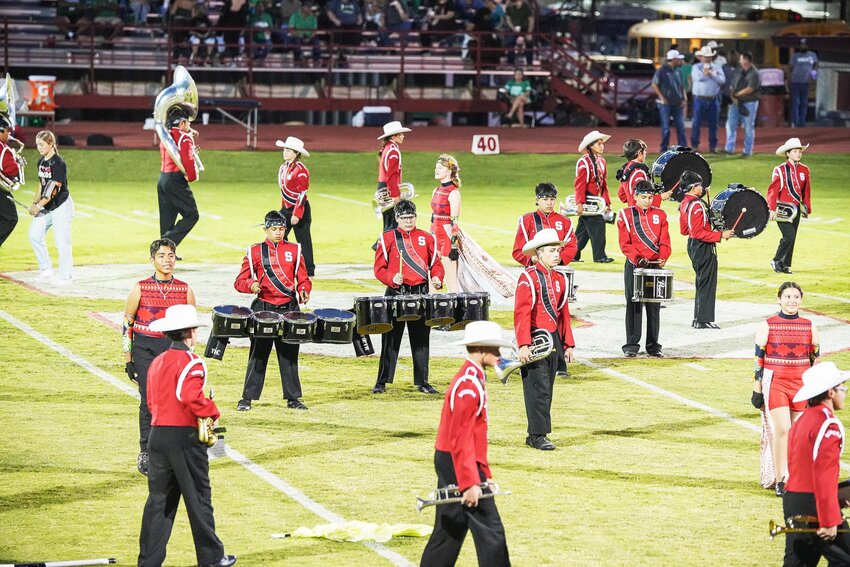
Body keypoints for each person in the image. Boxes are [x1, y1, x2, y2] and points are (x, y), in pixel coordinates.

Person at [137, 304, 236, 567]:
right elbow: (189, 396)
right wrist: (212, 411)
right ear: (190, 332)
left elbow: (150, 401)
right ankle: (212, 558)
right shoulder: (192, 362)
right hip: (184, 438)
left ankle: (148, 562)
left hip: (157, 437)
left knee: (159, 503)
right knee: (199, 498)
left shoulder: (157, 362)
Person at [419, 320, 512, 567]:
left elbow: (472, 435)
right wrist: (471, 482)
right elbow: (461, 437)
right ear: (481, 349)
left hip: (455, 458)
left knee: (450, 529)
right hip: (458, 460)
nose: (499, 354)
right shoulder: (468, 384)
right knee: (491, 531)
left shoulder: (473, 377)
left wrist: (485, 473)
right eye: (495, 348)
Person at [124, 238, 196, 476]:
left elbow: (191, 328)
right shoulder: (140, 287)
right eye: (162, 256)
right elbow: (128, 324)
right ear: (152, 259)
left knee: (176, 401)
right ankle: (146, 450)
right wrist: (128, 360)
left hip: (172, 350)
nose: (167, 260)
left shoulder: (185, 289)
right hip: (144, 348)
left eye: (171, 256)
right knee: (148, 400)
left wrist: (191, 359)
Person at [234, 211, 311, 411]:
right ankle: (247, 398)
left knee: (289, 354)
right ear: (266, 229)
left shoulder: (295, 249)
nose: (278, 233)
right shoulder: (255, 251)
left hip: (289, 307)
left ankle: (293, 398)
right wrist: (251, 285)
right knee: (258, 354)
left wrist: (304, 289)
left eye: (281, 229)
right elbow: (239, 281)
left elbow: (303, 278)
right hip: (264, 308)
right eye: (274, 229)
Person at [751, 282, 820, 497]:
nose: (792, 301)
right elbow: (758, 360)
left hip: (801, 385)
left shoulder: (810, 326)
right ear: (779, 299)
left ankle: (795, 478)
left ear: (801, 299)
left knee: (798, 435)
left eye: (796, 297)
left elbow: (814, 359)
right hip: (777, 382)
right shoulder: (768, 325)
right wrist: (757, 389)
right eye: (788, 296)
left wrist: (815, 389)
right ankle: (780, 479)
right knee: (782, 429)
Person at [372, 200, 444, 395]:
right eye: (404, 218)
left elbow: (435, 264)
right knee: (390, 338)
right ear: (396, 218)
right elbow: (378, 269)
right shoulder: (387, 238)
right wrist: (392, 278)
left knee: (421, 339)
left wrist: (437, 277)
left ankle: (423, 381)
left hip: (420, 293)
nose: (408, 221)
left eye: (411, 217)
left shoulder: (427, 238)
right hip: (396, 293)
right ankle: (381, 381)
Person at [782, 362, 850, 565]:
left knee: (798, 563)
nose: (845, 392)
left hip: (793, 501)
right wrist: (829, 519)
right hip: (816, 506)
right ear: (830, 392)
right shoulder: (828, 423)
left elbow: (802, 468)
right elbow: (823, 474)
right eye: (842, 387)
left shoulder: (802, 420)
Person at [514, 228, 576, 450]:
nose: (557, 254)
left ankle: (536, 434)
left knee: (547, 387)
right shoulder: (528, 278)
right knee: (537, 387)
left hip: (553, 340)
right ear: (539, 253)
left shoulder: (559, 278)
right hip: (533, 339)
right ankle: (538, 435)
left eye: (558, 250)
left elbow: (563, 314)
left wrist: (567, 343)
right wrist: (523, 344)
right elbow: (521, 313)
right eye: (552, 250)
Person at [617, 180, 671, 358]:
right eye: (643, 197)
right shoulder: (625, 215)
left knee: (654, 306)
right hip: (634, 265)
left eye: (649, 197)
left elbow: (664, 241)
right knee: (634, 304)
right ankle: (631, 344)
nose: (647, 201)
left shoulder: (660, 215)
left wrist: (663, 256)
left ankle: (654, 345)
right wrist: (638, 258)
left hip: (654, 267)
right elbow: (624, 244)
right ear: (635, 196)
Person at [677, 171, 733, 329]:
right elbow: (697, 232)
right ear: (694, 187)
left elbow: (684, 230)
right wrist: (720, 234)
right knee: (707, 283)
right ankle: (703, 320)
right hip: (702, 246)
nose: (702, 188)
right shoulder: (696, 205)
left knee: (702, 282)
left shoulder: (684, 203)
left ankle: (698, 318)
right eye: (700, 185)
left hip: (693, 245)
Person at [29, 130, 74, 284]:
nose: (39, 148)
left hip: (61, 205)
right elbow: (41, 186)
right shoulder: (41, 162)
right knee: (34, 234)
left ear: (51, 144)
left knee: (62, 241)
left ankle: (66, 276)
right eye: (37, 145)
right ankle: (46, 269)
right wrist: (35, 204)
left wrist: (39, 205)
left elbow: (53, 190)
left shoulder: (59, 163)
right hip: (47, 206)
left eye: (41, 145)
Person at [768, 138, 812, 275]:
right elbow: (773, 191)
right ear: (788, 153)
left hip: (796, 209)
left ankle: (785, 265)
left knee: (793, 238)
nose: (798, 154)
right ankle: (776, 260)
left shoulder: (804, 170)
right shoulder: (780, 170)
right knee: (789, 236)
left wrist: (806, 207)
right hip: (782, 209)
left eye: (799, 151)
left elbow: (806, 191)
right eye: (795, 151)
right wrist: (772, 208)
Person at [157, 107, 200, 248]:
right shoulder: (184, 137)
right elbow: (187, 159)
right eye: (188, 123)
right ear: (181, 123)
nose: (190, 126)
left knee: (167, 218)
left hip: (163, 178)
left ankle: (163, 253)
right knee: (192, 215)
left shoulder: (166, 136)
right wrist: (192, 177)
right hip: (176, 179)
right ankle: (166, 245)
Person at [512, 182, 577, 268]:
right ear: (537, 200)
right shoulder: (527, 220)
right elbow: (517, 251)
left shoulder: (565, 221)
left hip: (558, 269)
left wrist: (560, 258)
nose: (549, 203)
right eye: (545, 199)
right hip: (535, 270)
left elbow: (572, 246)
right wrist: (531, 258)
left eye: (552, 199)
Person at [276, 136, 315, 277]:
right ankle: (284, 263)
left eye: (288, 150)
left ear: (296, 153)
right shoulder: (283, 168)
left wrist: (296, 214)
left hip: (300, 209)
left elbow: (302, 194)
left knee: (303, 239)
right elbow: (283, 192)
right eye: (285, 149)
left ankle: (309, 270)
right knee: (279, 235)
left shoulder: (301, 170)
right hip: (286, 208)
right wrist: (283, 210)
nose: (285, 152)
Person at [573, 130, 613, 263]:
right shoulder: (584, 162)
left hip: (595, 200)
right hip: (587, 199)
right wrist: (579, 203)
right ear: (590, 145)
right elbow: (580, 184)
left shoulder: (602, 161)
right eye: (599, 144)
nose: (602, 146)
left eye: (602, 144)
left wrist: (607, 203)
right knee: (598, 225)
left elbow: (604, 184)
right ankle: (600, 256)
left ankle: (573, 254)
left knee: (583, 231)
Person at [430, 154, 461, 292]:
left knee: (450, 280)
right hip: (435, 238)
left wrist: (454, 247)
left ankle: (456, 311)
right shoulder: (435, 191)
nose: (436, 170)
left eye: (440, 167)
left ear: (448, 171)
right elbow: (433, 217)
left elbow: (454, 223)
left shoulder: (454, 193)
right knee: (431, 276)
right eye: (436, 167)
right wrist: (430, 237)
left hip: (447, 239)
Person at [722, 50, 760, 158]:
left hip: (749, 103)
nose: (740, 60)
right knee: (730, 125)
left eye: (742, 58)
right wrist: (733, 96)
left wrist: (736, 95)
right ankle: (729, 149)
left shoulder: (754, 73)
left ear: (747, 60)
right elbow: (732, 84)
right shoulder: (739, 70)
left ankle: (747, 151)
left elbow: (750, 89)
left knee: (748, 127)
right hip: (736, 103)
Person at [376, 121, 411, 236]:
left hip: (384, 187)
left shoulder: (387, 148)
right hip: (389, 188)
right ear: (393, 136)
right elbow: (391, 175)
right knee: (393, 225)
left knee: (390, 224)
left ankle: (383, 248)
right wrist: (395, 195)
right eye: (400, 134)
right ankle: (382, 248)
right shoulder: (393, 151)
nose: (403, 136)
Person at [690, 45, 725, 154]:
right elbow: (698, 78)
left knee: (713, 124)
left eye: (709, 56)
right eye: (705, 56)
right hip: (700, 99)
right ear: (701, 57)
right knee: (696, 123)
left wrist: (710, 74)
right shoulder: (696, 67)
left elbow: (722, 80)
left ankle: (713, 146)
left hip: (713, 99)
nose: (707, 58)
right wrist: (711, 75)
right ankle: (695, 146)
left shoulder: (717, 67)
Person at [651, 49, 687, 153]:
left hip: (677, 103)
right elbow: (654, 84)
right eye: (678, 59)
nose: (680, 61)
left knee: (681, 127)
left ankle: (683, 149)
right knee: (666, 128)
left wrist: (684, 98)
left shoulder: (678, 71)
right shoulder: (662, 70)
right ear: (673, 59)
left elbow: (681, 86)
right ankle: (663, 149)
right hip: (665, 104)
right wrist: (662, 98)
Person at [615, 138, 662, 208]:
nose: (645, 153)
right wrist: (661, 197)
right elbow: (641, 199)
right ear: (639, 152)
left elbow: (621, 195)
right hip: (641, 214)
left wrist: (630, 198)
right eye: (644, 151)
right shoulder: (638, 172)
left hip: (633, 212)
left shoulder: (627, 168)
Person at [0, 118, 23, 247]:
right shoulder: (3, 148)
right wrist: (17, 163)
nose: (9, 135)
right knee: (10, 218)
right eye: (7, 132)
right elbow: (11, 169)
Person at [788, 39, 818, 128]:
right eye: (801, 44)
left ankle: (802, 122)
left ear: (807, 46)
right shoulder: (795, 56)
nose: (802, 46)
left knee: (804, 102)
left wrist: (814, 77)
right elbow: (790, 68)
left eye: (804, 44)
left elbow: (815, 67)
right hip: (795, 82)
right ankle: (795, 121)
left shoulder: (813, 55)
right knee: (796, 102)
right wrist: (789, 80)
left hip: (806, 82)